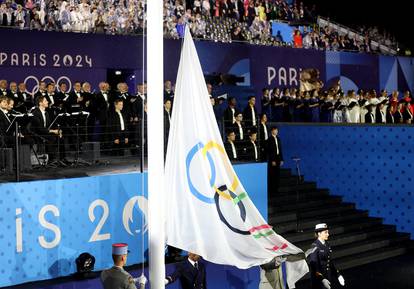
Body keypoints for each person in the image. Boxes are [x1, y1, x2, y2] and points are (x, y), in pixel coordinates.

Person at [307, 224, 345, 289]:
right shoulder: (314, 246)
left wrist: (338, 275)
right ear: (319, 233)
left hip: (328, 277)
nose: (328, 234)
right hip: (318, 281)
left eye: (328, 232)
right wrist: (322, 279)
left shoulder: (327, 244)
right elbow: (313, 266)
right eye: (325, 232)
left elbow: (330, 263)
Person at [267, 126, 283, 194]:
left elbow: (280, 149)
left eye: (277, 130)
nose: (277, 131)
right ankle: (272, 190)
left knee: (277, 175)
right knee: (272, 175)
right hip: (272, 159)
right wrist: (272, 160)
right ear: (272, 131)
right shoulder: (269, 139)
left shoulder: (278, 139)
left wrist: (282, 159)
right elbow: (270, 151)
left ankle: (277, 189)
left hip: (278, 158)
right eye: (275, 130)